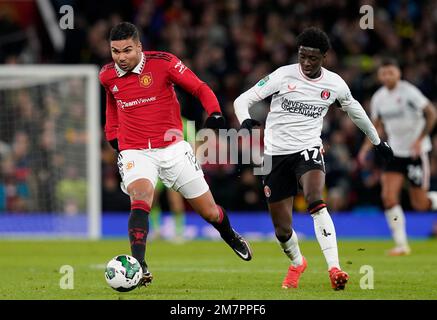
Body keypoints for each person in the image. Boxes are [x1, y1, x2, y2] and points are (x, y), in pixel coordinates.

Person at [233, 27, 393, 290]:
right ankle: (297, 262)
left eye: (313, 58)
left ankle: (335, 269)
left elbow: (356, 112)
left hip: (308, 149)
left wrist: (377, 142)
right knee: (282, 231)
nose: (306, 63)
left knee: (315, 200)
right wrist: (245, 121)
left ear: (325, 57)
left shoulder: (335, 84)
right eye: (302, 56)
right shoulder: (283, 75)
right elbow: (243, 99)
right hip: (273, 156)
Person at [99, 22, 252, 287]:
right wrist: (111, 132)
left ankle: (230, 235)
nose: (121, 58)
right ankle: (140, 266)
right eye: (115, 52)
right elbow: (112, 104)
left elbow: (200, 88)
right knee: (141, 196)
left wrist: (214, 112)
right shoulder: (107, 75)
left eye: (127, 50)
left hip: (173, 148)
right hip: (135, 150)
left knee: (210, 213)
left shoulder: (164, 63)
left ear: (139, 47)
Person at [358, 58, 437, 256]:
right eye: (383, 73)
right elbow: (375, 127)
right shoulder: (379, 98)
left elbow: (431, 113)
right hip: (394, 153)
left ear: (398, 73)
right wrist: (365, 148)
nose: (387, 76)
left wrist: (421, 139)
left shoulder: (409, 92)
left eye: (390, 72)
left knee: (420, 204)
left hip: (416, 154)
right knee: (388, 197)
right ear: (379, 75)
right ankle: (401, 245)